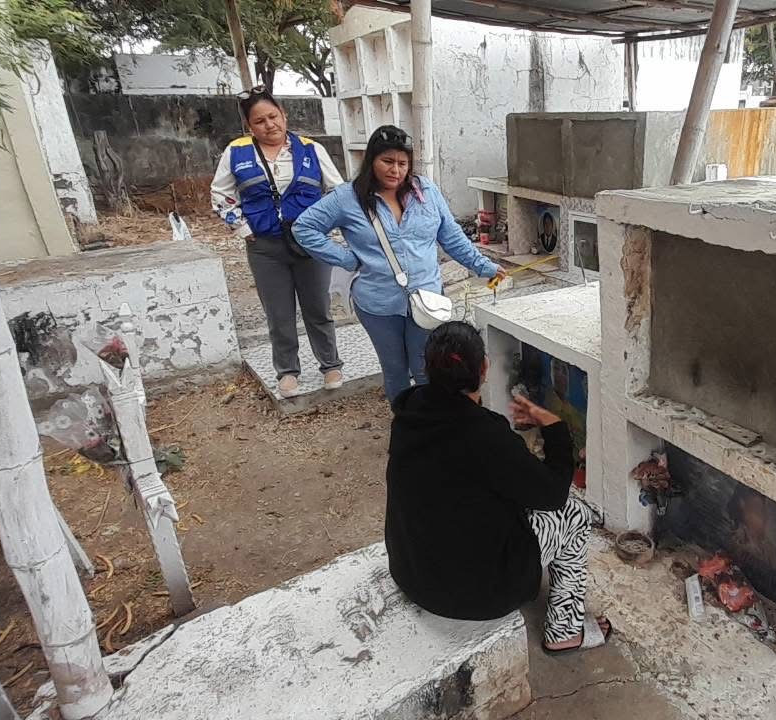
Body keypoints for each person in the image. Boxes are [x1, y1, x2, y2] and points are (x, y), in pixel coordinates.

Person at [384, 321, 613, 652]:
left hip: (412, 573)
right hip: (474, 595)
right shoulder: (484, 433)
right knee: (575, 515)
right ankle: (565, 633)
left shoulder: (408, 414)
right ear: (484, 368)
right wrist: (555, 428)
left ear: (428, 369)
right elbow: (552, 495)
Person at [292, 125, 503, 400]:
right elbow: (304, 227)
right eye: (387, 161)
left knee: (427, 369)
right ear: (371, 160)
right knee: (395, 371)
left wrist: (483, 266)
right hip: (378, 303)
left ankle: (433, 420)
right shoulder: (347, 197)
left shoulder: (426, 192)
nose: (396, 170)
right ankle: (405, 419)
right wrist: (346, 258)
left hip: (427, 299)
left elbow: (451, 237)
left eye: (403, 163)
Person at [210, 86, 345, 398]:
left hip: (309, 245)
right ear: (249, 126)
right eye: (259, 121)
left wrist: (323, 227)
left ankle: (330, 364)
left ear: (283, 115)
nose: (269, 125)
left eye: (273, 116)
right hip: (265, 247)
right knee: (278, 313)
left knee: (318, 308)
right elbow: (220, 195)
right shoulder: (236, 152)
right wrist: (243, 229)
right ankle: (287, 371)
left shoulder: (311, 149)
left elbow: (338, 192)